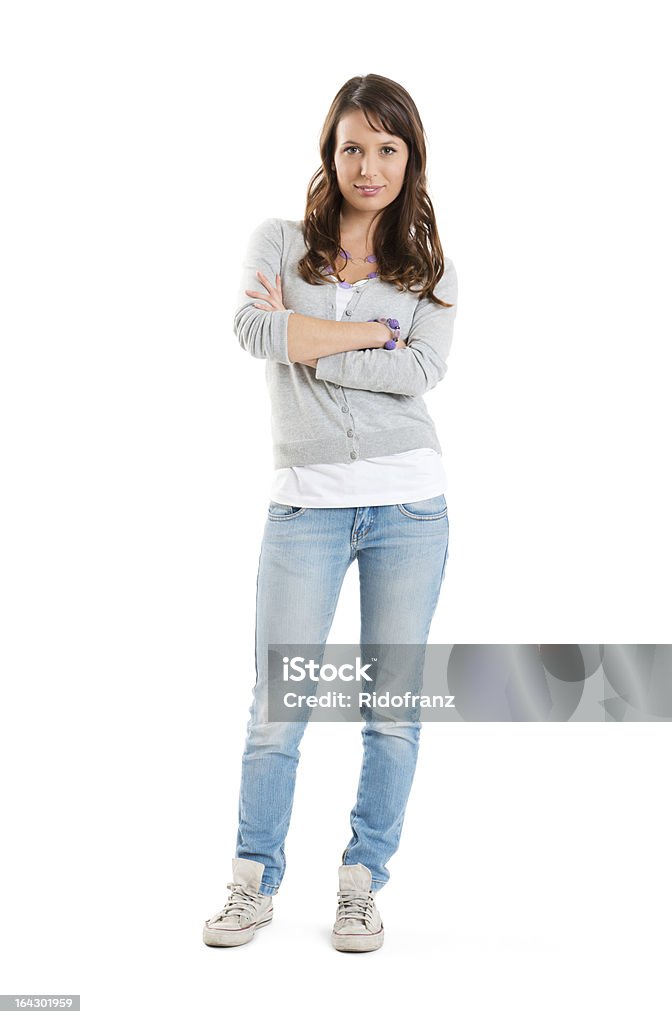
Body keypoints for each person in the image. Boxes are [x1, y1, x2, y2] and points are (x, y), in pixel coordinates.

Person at [203, 73, 458, 953]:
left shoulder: (434, 271)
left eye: (389, 148)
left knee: (394, 708)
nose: (369, 164)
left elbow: (421, 376)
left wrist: (312, 339)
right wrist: (371, 334)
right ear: (330, 151)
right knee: (278, 706)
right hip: (304, 509)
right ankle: (250, 882)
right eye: (354, 145)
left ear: (410, 160)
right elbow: (254, 332)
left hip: (409, 506)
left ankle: (360, 884)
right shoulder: (276, 243)